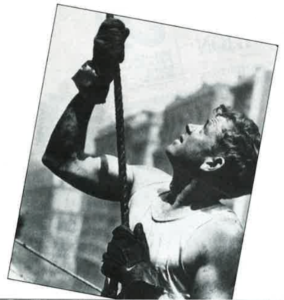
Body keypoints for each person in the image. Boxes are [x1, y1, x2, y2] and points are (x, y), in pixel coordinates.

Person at [42, 18, 261, 299]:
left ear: (212, 163)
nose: (189, 127)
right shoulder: (146, 183)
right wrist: (97, 78)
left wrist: (139, 279)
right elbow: (62, 160)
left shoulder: (220, 235)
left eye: (204, 129)